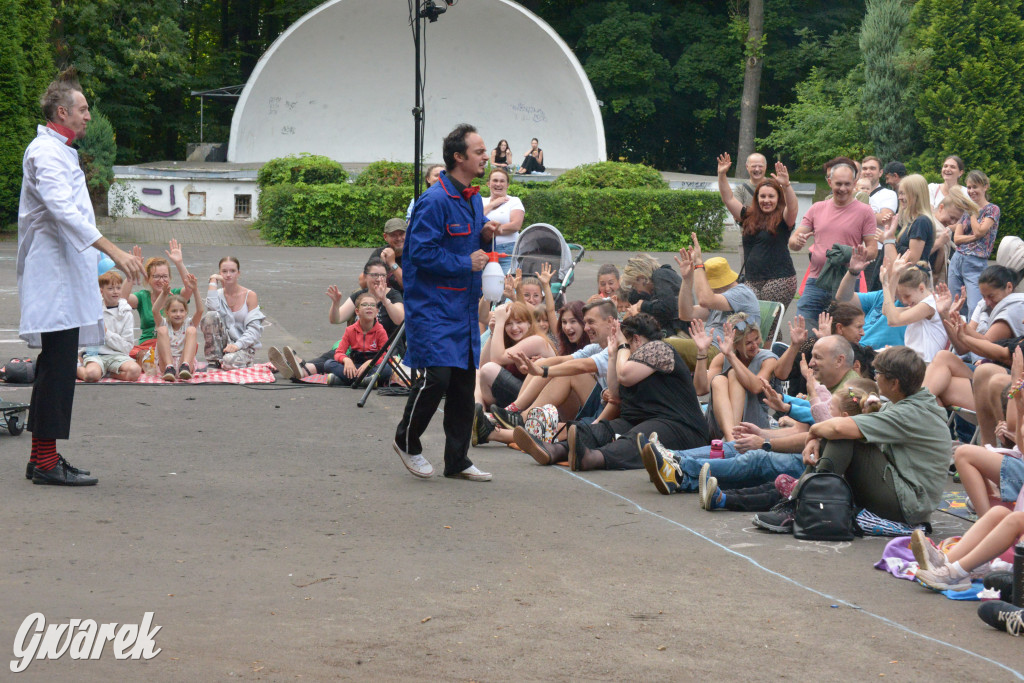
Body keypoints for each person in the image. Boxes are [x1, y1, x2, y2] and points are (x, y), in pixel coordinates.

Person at [18, 67, 145, 486]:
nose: (88, 115)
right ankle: (47, 462)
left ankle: (43, 458)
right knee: (57, 367)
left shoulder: (60, 151)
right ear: (62, 111)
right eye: (83, 108)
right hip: (53, 278)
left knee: (56, 365)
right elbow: (63, 211)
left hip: (64, 275)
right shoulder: (44, 152)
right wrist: (114, 251)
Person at [393, 123, 498, 481]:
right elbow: (418, 253)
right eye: (480, 151)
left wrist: (485, 237)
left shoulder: (472, 199)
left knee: (461, 384)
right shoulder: (435, 200)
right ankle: (406, 441)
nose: (487, 157)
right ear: (459, 157)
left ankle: (457, 460)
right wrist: (464, 262)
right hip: (433, 306)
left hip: (464, 307)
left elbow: (475, 249)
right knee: (436, 376)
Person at [760, 346, 949, 529]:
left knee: (842, 434)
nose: (875, 377)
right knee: (841, 431)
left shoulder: (909, 413)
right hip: (906, 494)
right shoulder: (911, 403)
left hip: (908, 505)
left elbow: (838, 428)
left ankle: (807, 505)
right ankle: (800, 501)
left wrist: (812, 433)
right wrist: (816, 437)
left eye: (879, 373)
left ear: (894, 383)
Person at [512, 313, 708, 471]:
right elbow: (615, 393)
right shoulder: (633, 357)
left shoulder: (659, 348)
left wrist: (622, 347)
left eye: (627, 343)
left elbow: (625, 375)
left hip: (681, 427)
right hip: (641, 419)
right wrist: (614, 355)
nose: (624, 348)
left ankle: (593, 458)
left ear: (637, 340)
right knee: (602, 430)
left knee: (639, 437)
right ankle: (556, 450)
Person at [641, 379, 880, 505]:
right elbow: (803, 430)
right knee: (739, 447)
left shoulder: (846, 412)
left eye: (818, 357)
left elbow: (810, 428)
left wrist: (766, 442)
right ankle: (675, 470)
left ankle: (680, 465)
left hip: (812, 471)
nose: (812, 363)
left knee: (756, 460)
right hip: (806, 459)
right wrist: (764, 434)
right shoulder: (842, 400)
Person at [476, 299, 616, 444]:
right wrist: (539, 367)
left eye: (589, 322)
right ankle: (492, 425)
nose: (586, 327)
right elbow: (563, 360)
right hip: (549, 404)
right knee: (547, 426)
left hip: (603, 412)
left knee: (565, 375)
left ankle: (511, 418)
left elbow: (581, 366)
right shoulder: (595, 346)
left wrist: (543, 371)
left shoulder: (615, 346)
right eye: (509, 324)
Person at [272, 258, 405, 380]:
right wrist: (335, 304)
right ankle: (302, 369)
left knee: (386, 367)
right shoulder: (360, 295)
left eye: (382, 275)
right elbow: (336, 319)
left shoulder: (393, 295)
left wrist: (384, 300)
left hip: (386, 346)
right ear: (365, 276)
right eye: (374, 275)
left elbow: (400, 320)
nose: (378, 279)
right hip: (359, 344)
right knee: (334, 354)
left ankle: (303, 366)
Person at [923, 266, 1024, 410]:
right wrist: (945, 314)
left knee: (938, 385)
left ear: (1009, 287)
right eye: (984, 296)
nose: (987, 301)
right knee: (942, 357)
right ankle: (917, 410)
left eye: (991, 296)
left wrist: (961, 330)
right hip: (983, 368)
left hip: (997, 378)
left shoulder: (1014, 308)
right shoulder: (983, 305)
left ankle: (915, 409)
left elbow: (989, 347)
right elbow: (964, 347)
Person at [789, 162, 877, 324]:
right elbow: (793, 242)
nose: (843, 188)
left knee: (842, 335)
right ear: (830, 182)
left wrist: (854, 255)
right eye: (838, 184)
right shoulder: (817, 208)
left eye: (847, 184)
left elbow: (873, 249)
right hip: (816, 280)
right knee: (804, 330)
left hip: (847, 282)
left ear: (854, 183)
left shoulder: (865, 211)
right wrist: (797, 240)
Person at [716, 153, 799, 308]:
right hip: (751, 279)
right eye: (762, 196)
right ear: (756, 198)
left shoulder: (783, 218)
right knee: (752, 324)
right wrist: (722, 175)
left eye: (771, 197)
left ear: (777, 199)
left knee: (767, 325)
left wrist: (786, 186)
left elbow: (793, 208)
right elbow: (728, 199)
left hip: (779, 279)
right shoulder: (748, 216)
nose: (766, 200)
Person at [674, 233, 761, 368]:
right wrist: (687, 279)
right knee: (656, 348)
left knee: (661, 345)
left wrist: (698, 264)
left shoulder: (742, 294)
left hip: (720, 351)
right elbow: (686, 314)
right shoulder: (719, 299)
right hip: (705, 345)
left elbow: (704, 300)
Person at [695, 316, 778, 441]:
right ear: (735, 344)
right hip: (719, 425)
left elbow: (756, 387)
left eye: (756, 339)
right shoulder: (721, 358)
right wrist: (702, 352)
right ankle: (732, 440)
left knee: (734, 374)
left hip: (753, 425)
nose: (755, 345)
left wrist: (731, 356)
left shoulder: (768, 359)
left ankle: (730, 440)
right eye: (748, 343)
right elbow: (700, 389)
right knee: (719, 380)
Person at [476, 301, 554, 409]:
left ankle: (485, 415)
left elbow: (496, 359)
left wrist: (499, 323)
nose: (514, 328)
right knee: (477, 372)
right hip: (519, 395)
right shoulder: (509, 342)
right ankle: (479, 413)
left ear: (529, 323)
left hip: (539, 401)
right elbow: (482, 365)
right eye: (508, 323)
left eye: (519, 322)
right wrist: (493, 332)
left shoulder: (537, 341)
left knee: (489, 369)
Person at [126, 241, 195, 364]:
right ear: (148, 279)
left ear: (169, 278)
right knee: (144, 358)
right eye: (156, 276)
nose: (161, 280)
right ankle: (164, 365)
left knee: (191, 346)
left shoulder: (175, 294)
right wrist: (132, 271)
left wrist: (179, 263)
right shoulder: (142, 296)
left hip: (174, 344)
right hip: (148, 345)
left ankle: (168, 365)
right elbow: (122, 299)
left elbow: (190, 287)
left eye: (164, 276)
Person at [949, 169, 1000, 318]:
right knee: (956, 303)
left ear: (985, 186)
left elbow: (980, 231)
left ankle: (972, 339)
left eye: (975, 187)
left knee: (975, 307)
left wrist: (973, 212)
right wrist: (973, 237)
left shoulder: (992, 209)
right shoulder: (967, 211)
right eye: (969, 187)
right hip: (957, 259)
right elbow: (957, 239)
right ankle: (956, 338)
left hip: (975, 262)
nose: (971, 191)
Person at [76, 270, 143, 383]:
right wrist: (80, 354)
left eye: (118, 288)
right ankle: (75, 368)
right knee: (91, 375)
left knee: (135, 371)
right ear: (101, 291)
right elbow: (84, 336)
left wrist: (106, 333)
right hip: (96, 355)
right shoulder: (94, 311)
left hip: (118, 356)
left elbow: (127, 346)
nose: (115, 292)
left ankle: (108, 373)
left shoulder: (126, 312)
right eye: (110, 288)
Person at [201, 256, 265, 369]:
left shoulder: (250, 295)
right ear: (219, 273)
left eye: (232, 271)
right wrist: (213, 280)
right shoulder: (217, 294)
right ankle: (214, 360)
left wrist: (237, 345)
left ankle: (241, 360)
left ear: (238, 273)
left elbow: (254, 329)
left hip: (243, 346)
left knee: (228, 362)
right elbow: (211, 311)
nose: (228, 275)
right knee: (210, 315)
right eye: (224, 271)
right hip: (222, 345)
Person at [881, 256, 946, 362]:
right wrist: (895, 275)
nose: (905, 301)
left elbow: (893, 321)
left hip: (925, 364)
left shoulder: (930, 304)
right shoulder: (920, 305)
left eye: (907, 296)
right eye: (902, 297)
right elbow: (886, 311)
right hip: (914, 361)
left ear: (921, 288)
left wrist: (885, 285)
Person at [324, 291, 391, 387]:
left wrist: (370, 363)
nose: (369, 307)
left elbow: (386, 355)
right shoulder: (350, 330)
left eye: (372, 305)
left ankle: (346, 380)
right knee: (328, 364)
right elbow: (339, 352)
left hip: (372, 367)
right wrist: (346, 360)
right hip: (355, 367)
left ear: (376, 312)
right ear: (357, 311)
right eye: (364, 304)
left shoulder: (380, 331)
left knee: (387, 369)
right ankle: (366, 381)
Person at [153, 273, 203, 381]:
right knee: (161, 330)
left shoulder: (188, 323)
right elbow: (155, 311)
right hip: (166, 363)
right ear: (167, 312)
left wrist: (195, 290)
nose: (178, 314)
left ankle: (185, 366)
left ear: (186, 312)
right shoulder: (164, 323)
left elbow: (200, 311)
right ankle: (169, 367)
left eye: (181, 311)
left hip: (184, 363)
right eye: (174, 311)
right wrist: (164, 293)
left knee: (192, 330)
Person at [621, 253, 686, 334]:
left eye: (634, 286)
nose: (637, 291)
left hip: (680, 329)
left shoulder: (660, 274)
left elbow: (667, 307)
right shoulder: (657, 284)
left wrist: (643, 306)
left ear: (641, 278)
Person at [481, 168, 525, 273]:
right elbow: (474, 220)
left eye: (502, 181)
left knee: (507, 284)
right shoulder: (481, 201)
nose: (498, 184)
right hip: (484, 251)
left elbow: (516, 225)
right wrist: (493, 204)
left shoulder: (514, 201)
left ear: (507, 185)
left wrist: (489, 229)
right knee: (485, 285)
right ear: (488, 183)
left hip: (508, 250)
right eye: (495, 180)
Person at [370, 218, 406, 293]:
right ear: (385, 237)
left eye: (401, 234)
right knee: (358, 294)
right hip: (384, 296)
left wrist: (392, 263)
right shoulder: (379, 253)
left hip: (406, 298)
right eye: (393, 235)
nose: (399, 238)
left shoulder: (413, 254)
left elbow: (408, 285)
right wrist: (380, 266)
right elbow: (362, 282)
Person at [861, 156, 898, 229]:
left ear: (880, 173)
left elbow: (885, 220)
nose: (868, 172)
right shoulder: (853, 193)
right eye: (864, 169)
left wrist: (856, 211)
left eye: (872, 168)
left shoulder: (888, 194)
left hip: (876, 240)